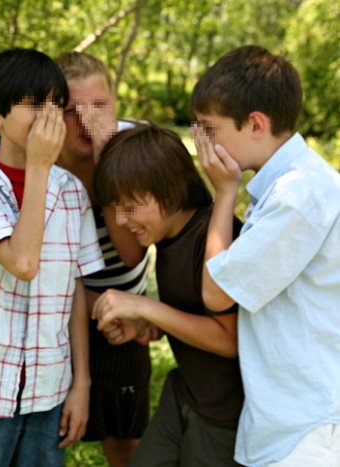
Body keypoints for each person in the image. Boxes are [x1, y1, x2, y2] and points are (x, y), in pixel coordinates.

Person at [0, 48, 105, 466]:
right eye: (34, 103)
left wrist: (80, 383)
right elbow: (23, 262)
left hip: (50, 389)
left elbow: (75, 292)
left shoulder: (70, 191)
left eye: (55, 103)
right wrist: (39, 166)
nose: (49, 115)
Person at [191, 45, 340, 466]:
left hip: (306, 428)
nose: (201, 141)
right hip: (286, 420)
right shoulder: (287, 186)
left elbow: (217, 294)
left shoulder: (299, 194)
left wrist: (224, 194)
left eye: (209, 128)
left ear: (255, 124)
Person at [92, 124, 245, 466]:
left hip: (223, 413)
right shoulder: (168, 235)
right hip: (186, 392)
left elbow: (228, 338)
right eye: (115, 208)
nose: (121, 219)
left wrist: (144, 306)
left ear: (170, 188)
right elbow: (197, 312)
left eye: (130, 206)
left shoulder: (215, 238)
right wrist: (148, 324)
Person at [54, 51, 150, 467]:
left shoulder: (134, 146)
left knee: (125, 439)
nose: (87, 121)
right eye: (72, 111)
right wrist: (106, 308)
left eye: (99, 106)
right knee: (49, 436)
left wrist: (106, 160)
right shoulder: (42, 159)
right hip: (59, 311)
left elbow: (130, 256)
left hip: (126, 313)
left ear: (115, 102)